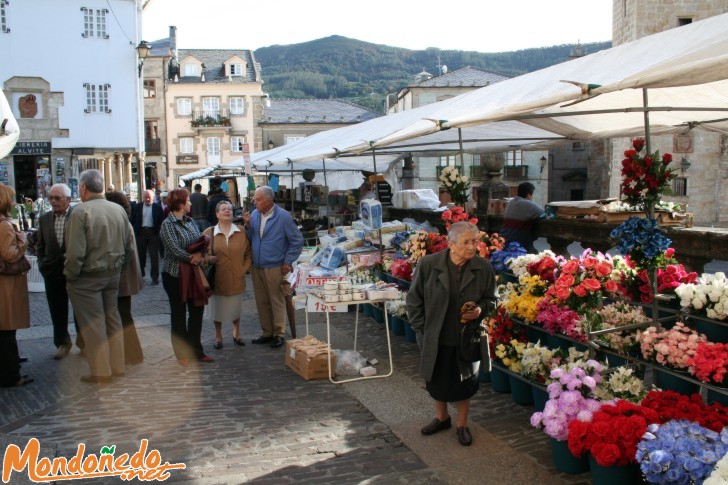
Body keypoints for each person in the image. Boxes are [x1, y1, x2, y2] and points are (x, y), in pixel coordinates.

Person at [406, 221, 498, 447]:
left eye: (475, 242)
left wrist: (480, 310)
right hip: (435, 335)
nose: (472, 247)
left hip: (466, 336)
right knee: (436, 379)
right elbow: (413, 300)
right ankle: (442, 418)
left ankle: (462, 424)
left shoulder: (482, 267)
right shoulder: (429, 264)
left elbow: (492, 300)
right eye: (466, 242)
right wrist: (422, 328)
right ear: (451, 244)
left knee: (464, 382)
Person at [64, 170, 134, 384]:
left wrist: (70, 275)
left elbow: (75, 252)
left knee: (94, 325)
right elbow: (129, 247)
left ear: (83, 188)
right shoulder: (118, 210)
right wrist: (119, 267)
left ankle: (102, 371)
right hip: (112, 274)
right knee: (112, 318)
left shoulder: (80, 212)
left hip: (88, 276)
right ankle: (117, 366)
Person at [243, 186, 303, 348]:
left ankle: (279, 333)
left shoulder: (283, 217)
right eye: (255, 199)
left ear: (269, 201)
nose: (255, 202)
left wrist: (288, 261)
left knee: (276, 300)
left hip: (275, 265)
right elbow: (251, 238)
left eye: (258, 199)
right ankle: (267, 332)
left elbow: (297, 241)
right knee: (262, 301)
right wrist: (248, 226)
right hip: (258, 265)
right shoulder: (255, 215)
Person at [160, 188, 214, 366]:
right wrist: (193, 258)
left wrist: (200, 254)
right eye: (188, 201)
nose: (191, 203)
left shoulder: (191, 221)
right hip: (174, 274)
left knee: (197, 310)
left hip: (193, 273)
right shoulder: (168, 224)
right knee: (179, 313)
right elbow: (174, 250)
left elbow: (200, 239)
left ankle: (196, 350)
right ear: (181, 204)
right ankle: (182, 353)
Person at [36, 183, 83, 359]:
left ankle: (83, 343)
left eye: (58, 198)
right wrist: (43, 265)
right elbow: (40, 246)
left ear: (68, 200)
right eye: (51, 198)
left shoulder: (78, 215)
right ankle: (62, 343)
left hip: (76, 271)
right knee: (57, 309)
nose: (53, 202)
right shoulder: (44, 219)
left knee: (80, 308)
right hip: (53, 272)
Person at [203, 201, 252, 349]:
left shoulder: (241, 231)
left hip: (237, 277)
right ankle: (218, 336)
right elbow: (201, 254)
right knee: (217, 308)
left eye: (230, 209)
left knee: (235, 306)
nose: (227, 211)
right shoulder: (208, 233)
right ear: (217, 214)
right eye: (223, 209)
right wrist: (208, 259)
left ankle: (236, 333)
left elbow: (248, 254)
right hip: (218, 277)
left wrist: (244, 269)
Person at [105, 190, 144, 365]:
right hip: (125, 276)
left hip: (122, 277)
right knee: (123, 314)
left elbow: (125, 251)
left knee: (123, 315)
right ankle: (131, 353)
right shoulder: (123, 220)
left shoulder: (120, 222)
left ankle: (132, 353)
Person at [0, 183, 33, 387]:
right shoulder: (3, 225)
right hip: (6, 285)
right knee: (6, 330)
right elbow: (10, 254)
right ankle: (11, 374)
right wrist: (22, 240)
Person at [500, 182, 546, 254]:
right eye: (532, 195)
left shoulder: (511, 203)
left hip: (502, 242)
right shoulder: (528, 204)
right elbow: (546, 214)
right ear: (528, 194)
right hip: (517, 245)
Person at [131, 190, 163, 285]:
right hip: (141, 232)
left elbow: (161, 220)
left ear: (153, 198)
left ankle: (155, 278)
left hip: (153, 233)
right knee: (141, 256)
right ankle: (141, 276)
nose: (147, 199)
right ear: (143, 197)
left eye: (149, 197)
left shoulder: (157, 208)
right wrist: (136, 230)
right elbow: (132, 219)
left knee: (154, 256)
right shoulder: (137, 207)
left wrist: (157, 231)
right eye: (145, 197)